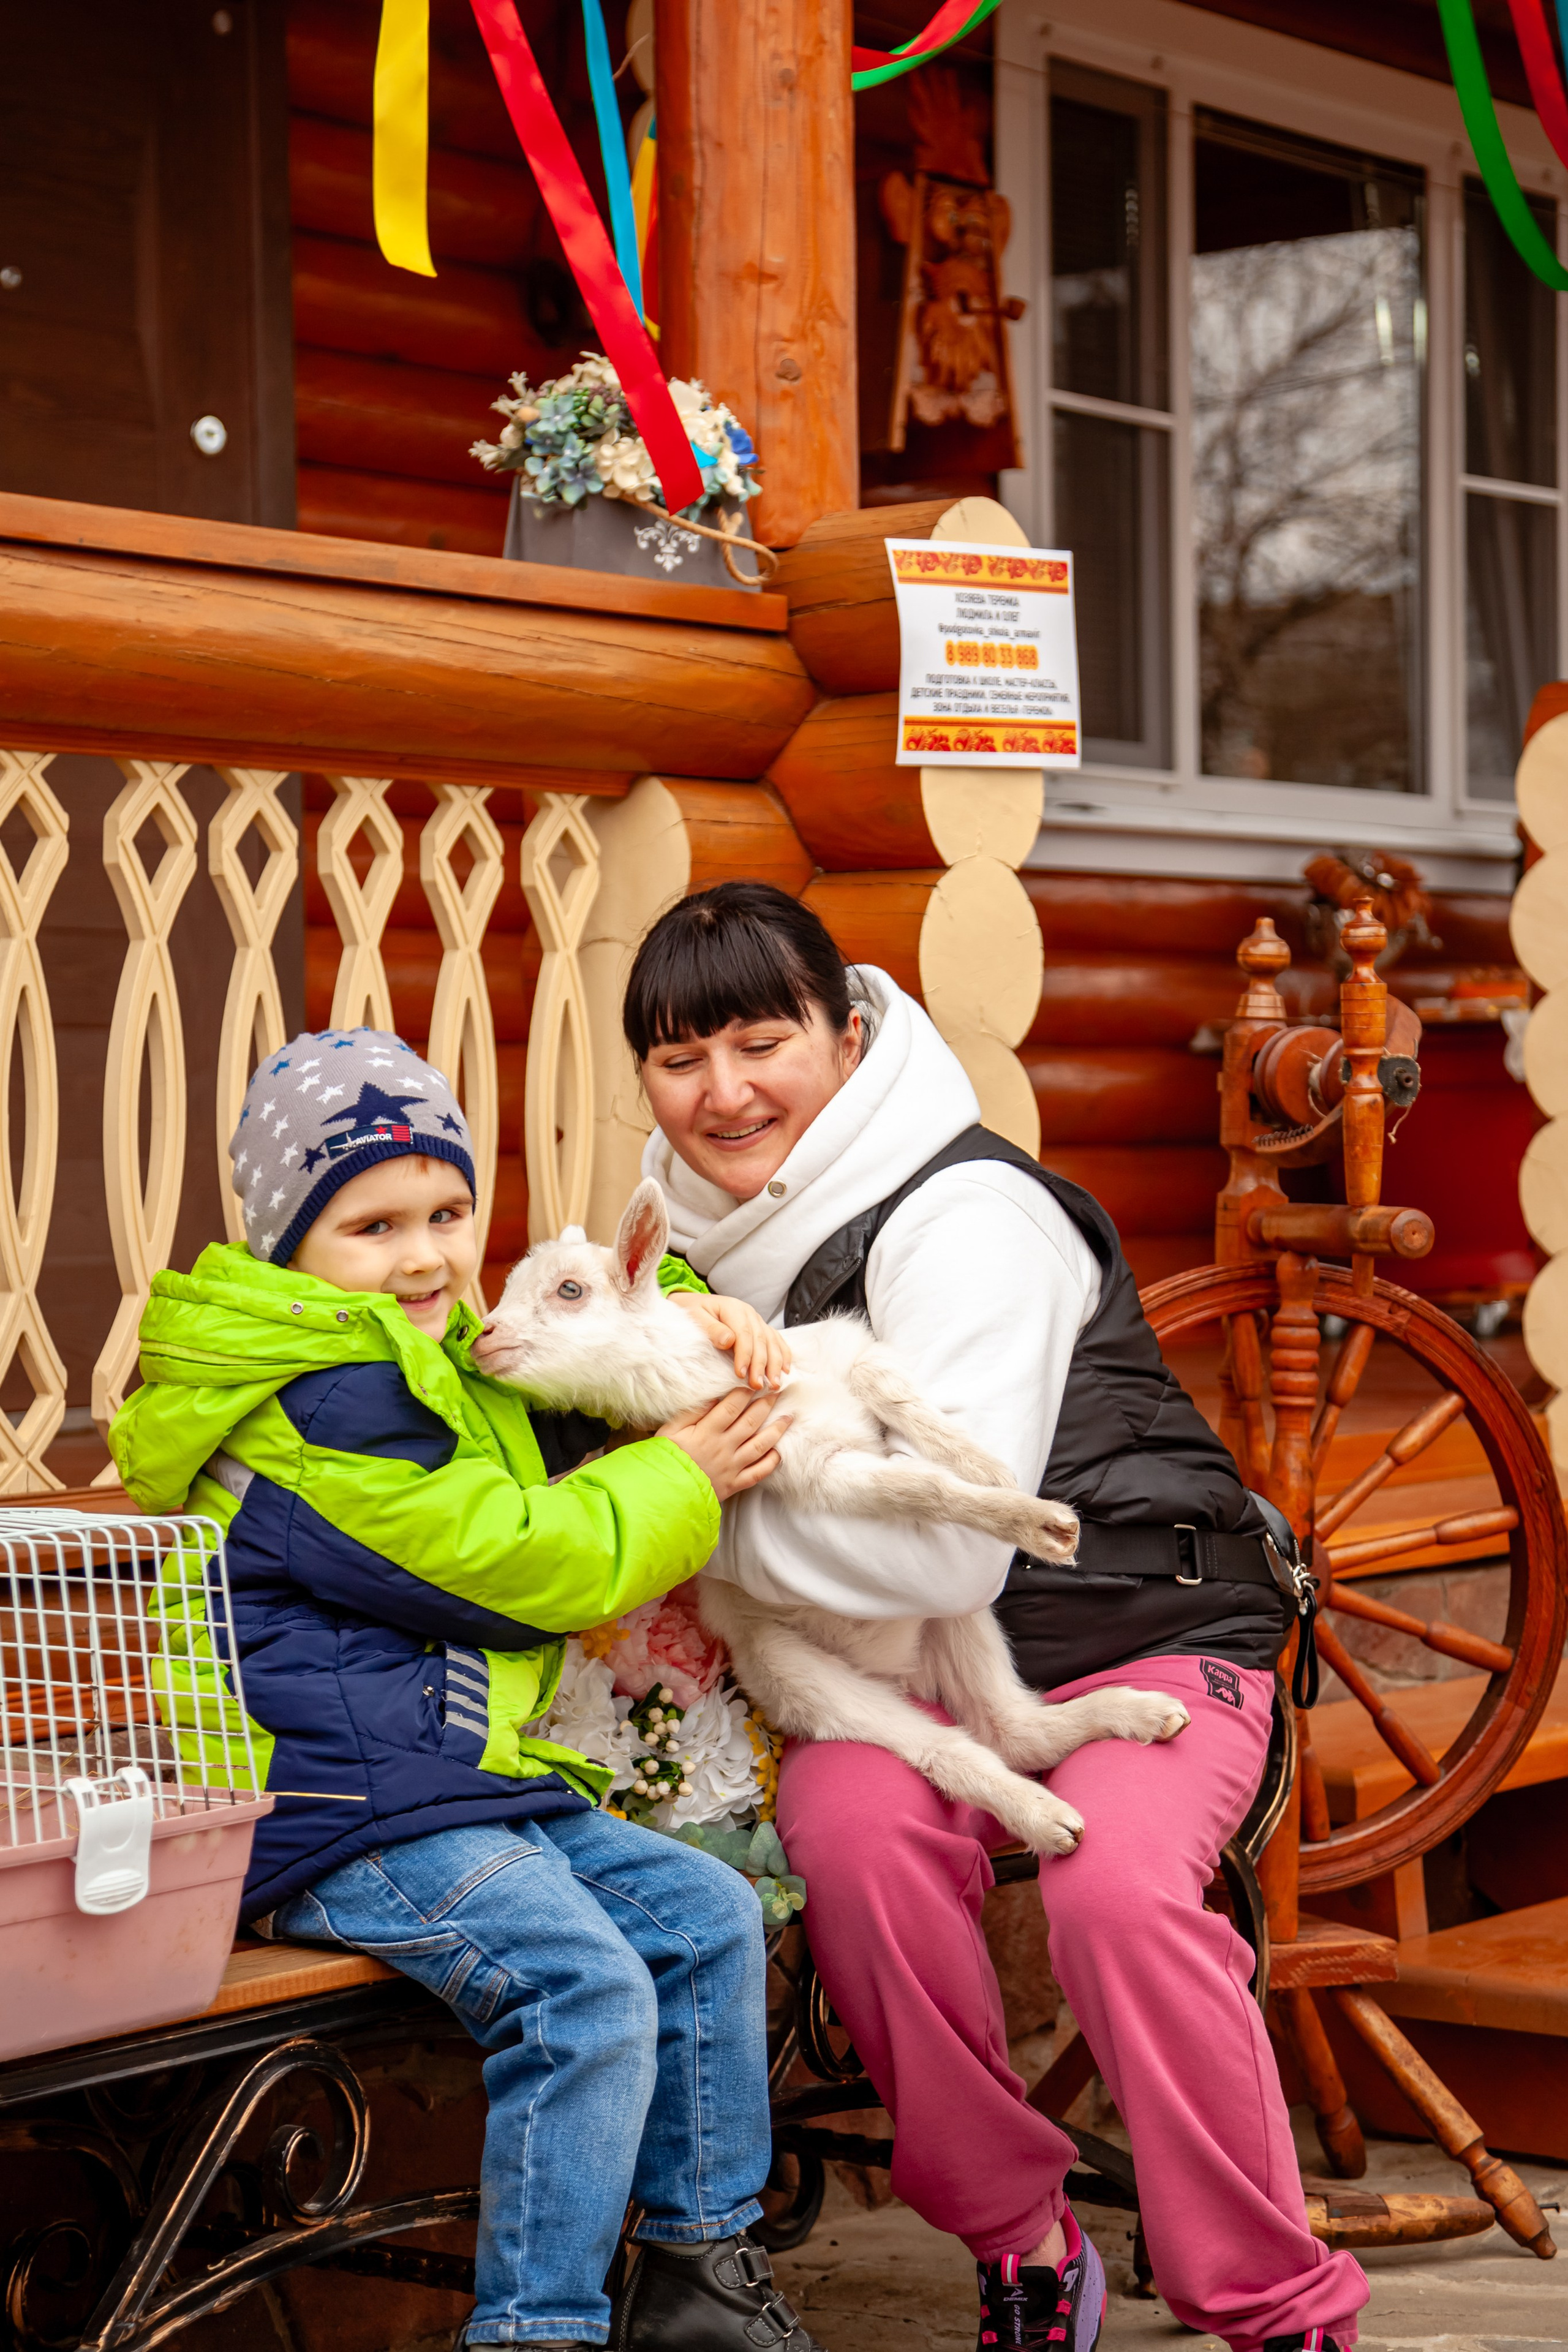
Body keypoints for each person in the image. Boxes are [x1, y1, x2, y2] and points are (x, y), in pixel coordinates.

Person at [623, 883, 1367, 2352]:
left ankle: (1278, 2306)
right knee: (849, 1837)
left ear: (845, 1034)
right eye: (677, 1058)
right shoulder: (693, 1249)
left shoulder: (967, 1213)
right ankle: (1020, 2240)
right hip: (921, 1684)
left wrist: (686, 1506)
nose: (720, 1094)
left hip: (1137, 1627)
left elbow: (945, 1564)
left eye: (760, 1043)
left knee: (1114, 1893)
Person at [109, 1027, 827, 2352]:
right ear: (290, 1250)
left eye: (446, 1210)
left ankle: (695, 2282)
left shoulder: (412, 1360)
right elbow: (507, 1565)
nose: (429, 1253)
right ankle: (536, 2333)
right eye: (372, 1226)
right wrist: (681, 1474)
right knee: (587, 1988)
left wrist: (669, 1296)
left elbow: (551, 1394)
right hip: (331, 1808)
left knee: (708, 1912)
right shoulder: (314, 1407)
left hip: (448, 1791)